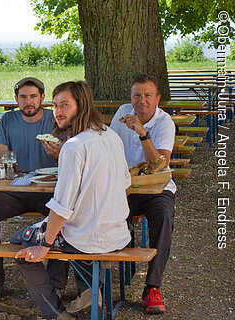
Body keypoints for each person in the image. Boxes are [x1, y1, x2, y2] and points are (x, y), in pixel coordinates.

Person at [14, 81, 131, 320]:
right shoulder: (111, 134)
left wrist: (44, 246)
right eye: (55, 105)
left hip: (87, 239)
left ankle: (57, 314)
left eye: (65, 105)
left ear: (82, 106)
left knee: (20, 242)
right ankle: (89, 288)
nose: (58, 111)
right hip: (117, 233)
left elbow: (62, 207)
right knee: (64, 226)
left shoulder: (74, 146)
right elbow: (125, 183)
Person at [0, 77, 58, 299]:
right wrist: (0, 163)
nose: (28, 102)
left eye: (33, 96)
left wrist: (56, 155)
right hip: (16, 187)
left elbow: (70, 159)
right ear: (16, 99)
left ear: (42, 98)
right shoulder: (8, 119)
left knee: (62, 216)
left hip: (47, 188)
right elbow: (1, 156)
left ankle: (55, 284)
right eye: (23, 97)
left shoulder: (55, 119)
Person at [110, 74, 176, 314]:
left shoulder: (164, 122)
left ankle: (152, 287)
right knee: (96, 209)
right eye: (137, 95)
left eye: (148, 95)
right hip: (125, 187)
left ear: (157, 98)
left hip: (157, 188)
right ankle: (96, 284)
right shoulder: (122, 112)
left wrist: (142, 132)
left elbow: (161, 163)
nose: (142, 101)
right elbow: (108, 147)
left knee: (164, 216)